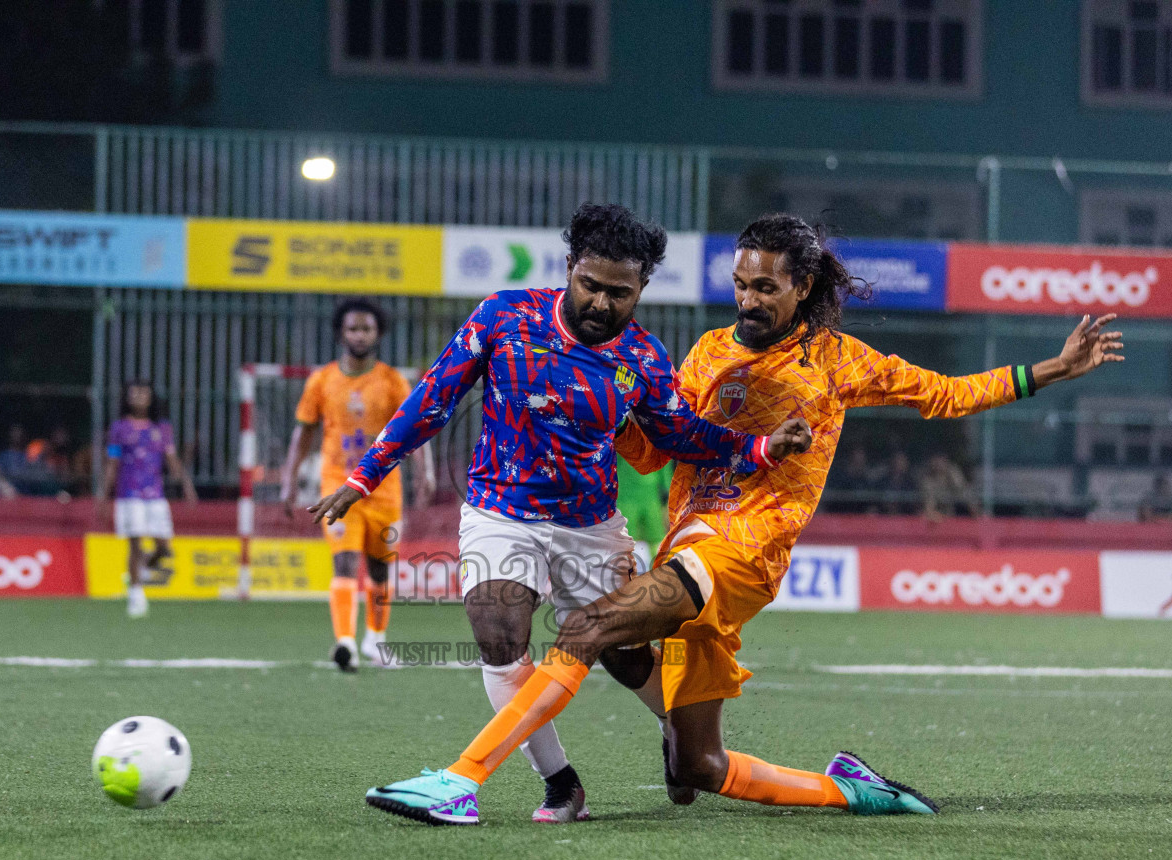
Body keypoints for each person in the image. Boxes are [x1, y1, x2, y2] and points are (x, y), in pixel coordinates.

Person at [363, 213, 1125, 826]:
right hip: (685, 546)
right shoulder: (699, 355)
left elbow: (946, 394)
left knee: (584, 629)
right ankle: (851, 790)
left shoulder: (837, 360)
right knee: (699, 770)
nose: (750, 300)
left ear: (801, 288)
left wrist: (1049, 371)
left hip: (743, 551)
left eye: (766, 287)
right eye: (741, 284)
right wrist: (587, 405)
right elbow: (656, 450)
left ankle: (460, 781)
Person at [311, 203, 805, 825]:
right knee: (498, 636)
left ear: (642, 288)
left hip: (590, 525)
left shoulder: (645, 361)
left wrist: (759, 448)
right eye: (589, 285)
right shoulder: (504, 316)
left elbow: (681, 434)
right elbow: (433, 397)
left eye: (619, 293)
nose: (601, 303)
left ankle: (679, 736)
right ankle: (559, 783)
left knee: (624, 655)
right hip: (500, 508)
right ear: (569, 268)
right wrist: (366, 474)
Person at [281, 299, 435, 672]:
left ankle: (375, 640)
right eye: (353, 328)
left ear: (377, 334)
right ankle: (345, 642)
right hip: (339, 485)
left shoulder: (392, 381)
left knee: (380, 569)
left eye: (366, 329)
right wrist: (288, 479)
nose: (359, 335)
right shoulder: (321, 381)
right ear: (341, 333)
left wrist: (424, 471)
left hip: (384, 489)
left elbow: (415, 429)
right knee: (344, 562)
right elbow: (303, 433)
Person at [99, 382, 197, 618]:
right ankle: (136, 594)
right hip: (129, 494)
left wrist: (185, 484)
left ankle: (140, 572)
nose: (140, 397)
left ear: (151, 399)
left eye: (144, 394)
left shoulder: (162, 428)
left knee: (164, 547)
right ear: (128, 398)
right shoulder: (120, 428)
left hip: (155, 494)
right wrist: (103, 494)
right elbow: (113, 462)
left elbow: (171, 460)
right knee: (136, 544)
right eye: (135, 393)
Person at [920, 452, 977, 521]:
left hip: (955, 510)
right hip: (938, 512)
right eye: (936, 461)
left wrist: (952, 475)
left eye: (941, 461)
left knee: (968, 495)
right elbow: (929, 501)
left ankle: (977, 519)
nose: (938, 464)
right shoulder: (928, 479)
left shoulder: (952, 473)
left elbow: (961, 488)